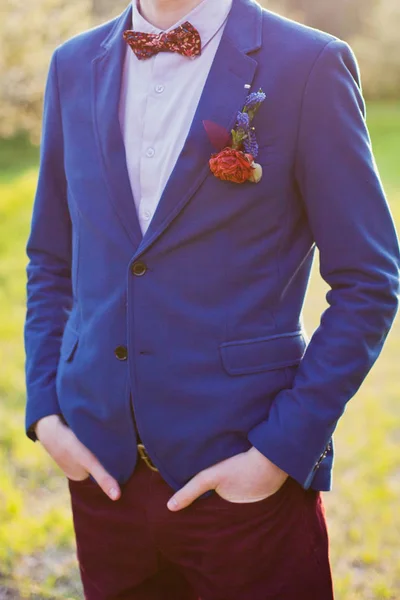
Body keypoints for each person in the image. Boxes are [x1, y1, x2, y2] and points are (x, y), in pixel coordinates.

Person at [24, 0, 400, 598]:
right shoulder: (71, 65)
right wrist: (45, 410)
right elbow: (50, 258)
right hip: (102, 477)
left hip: (247, 480)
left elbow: (369, 281)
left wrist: (278, 454)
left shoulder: (309, 65)